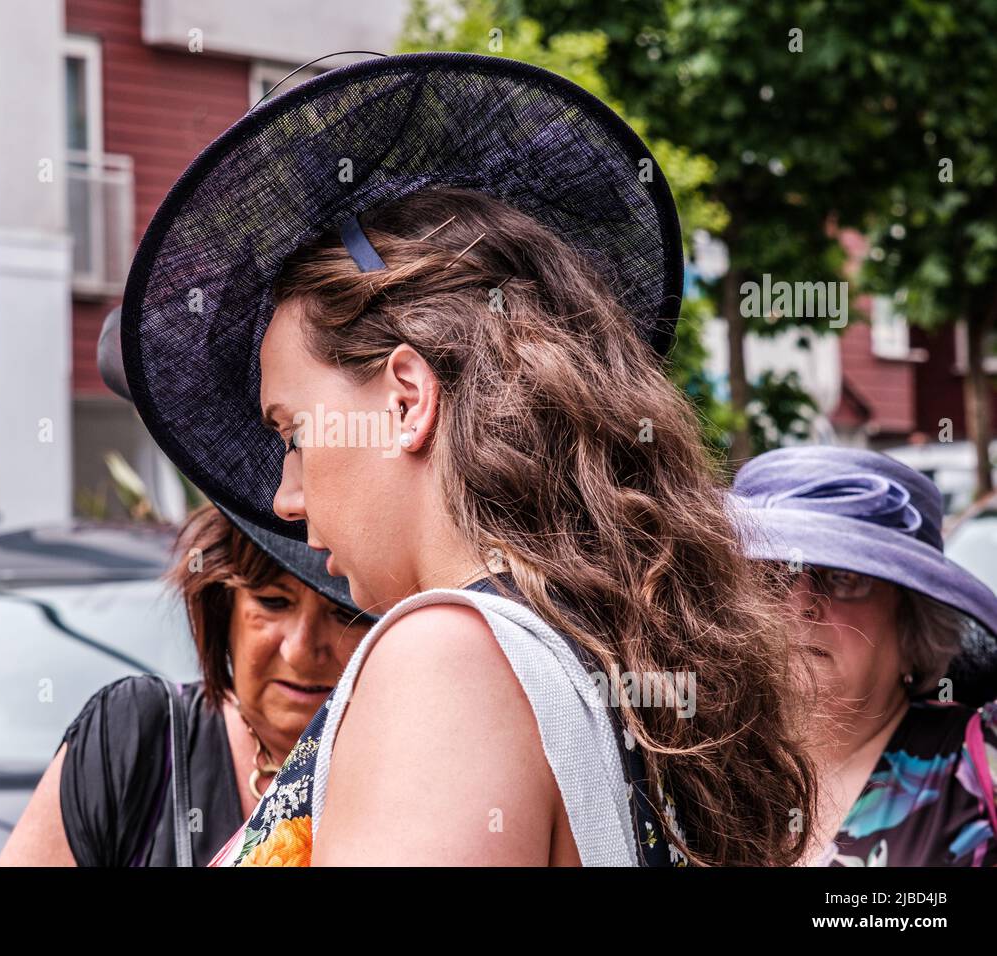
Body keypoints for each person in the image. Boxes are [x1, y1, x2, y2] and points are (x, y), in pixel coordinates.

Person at [117, 52, 818, 866]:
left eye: (292, 435)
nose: (286, 496)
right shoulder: (590, 651)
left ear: (407, 399)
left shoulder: (448, 661)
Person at [0, 383, 375, 866]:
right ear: (223, 607)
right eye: (272, 602)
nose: (301, 650)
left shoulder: (421, 778)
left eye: (345, 614)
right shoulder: (135, 738)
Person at [731, 446, 997, 867]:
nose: (801, 603)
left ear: (913, 625)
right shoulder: (701, 761)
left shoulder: (982, 759)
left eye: (843, 577)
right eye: (772, 574)